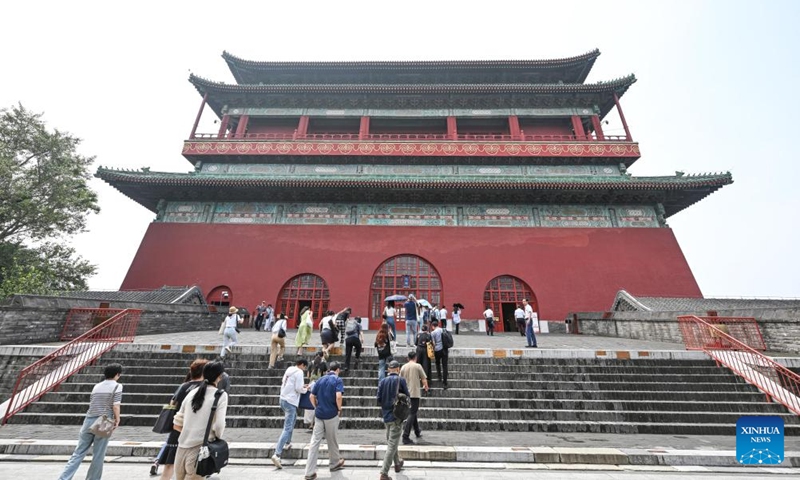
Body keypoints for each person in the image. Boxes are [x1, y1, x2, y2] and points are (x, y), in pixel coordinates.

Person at [58, 363, 123, 480]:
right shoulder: (117, 386)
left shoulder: (96, 386)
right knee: (98, 455)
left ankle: (64, 478)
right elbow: (116, 406)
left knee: (78, 453)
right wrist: (117, 419)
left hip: (88, 419)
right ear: (117, 374)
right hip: (103, 421)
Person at [172, 361, 228, 480]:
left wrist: (189, 431)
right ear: (219, 377)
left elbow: (176, 423)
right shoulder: (220, 395)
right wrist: (215, 437)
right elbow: (219, 425)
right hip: (199, 450)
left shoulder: (192, 393)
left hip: (181, 449)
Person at [156, 359, 208, 480]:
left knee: (169, 465)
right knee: (191, 468)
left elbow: (172, 404)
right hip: (194, 430)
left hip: (177, 429)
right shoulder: (204, 388)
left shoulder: (183, 386)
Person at [305, 361, 346, 480]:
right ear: (337, 370)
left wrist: (316, 406)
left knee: (314, 442)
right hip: (331, 414)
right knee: (332, 440)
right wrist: (339, 408)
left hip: (319, 414)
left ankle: (309, 471)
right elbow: (338, 396)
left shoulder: (320, 380)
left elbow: (311, 396)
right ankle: (334, 463)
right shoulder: (337, 380)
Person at [271, 359, 309, 469]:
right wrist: (306, 389)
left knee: (293, 419)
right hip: (291, 401)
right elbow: (298, 388)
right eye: (305, 367)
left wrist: (302, 387)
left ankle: (288, 442)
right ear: (302, 365)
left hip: (283, 399)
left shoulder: (289, 370)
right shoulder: (299, 372)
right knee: (287, 427)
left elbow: (288, 383)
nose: (304, 369)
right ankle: (277, 454)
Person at [377, 360, 410, 480]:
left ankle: (397, 464)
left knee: (392, 441)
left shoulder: (383, 381)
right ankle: (384, 473)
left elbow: (379, 398)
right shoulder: (400, 380)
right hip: (397, 416)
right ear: (398, 369)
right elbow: (407, 395)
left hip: (386, 415)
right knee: (392, 444)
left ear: (389, 369)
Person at [400, 351, 428, 445]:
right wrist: (426, 386)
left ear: (408, 358)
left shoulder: (403, 367)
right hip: (415, 392)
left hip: (406, 393)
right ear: (415, 357)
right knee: (412, 413)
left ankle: (417, 431)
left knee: (413, 412)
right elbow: (423, 378)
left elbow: (400, 380)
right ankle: (405, 435)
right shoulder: (418, 366)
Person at [430, 319, 449, 389]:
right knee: (445, 365)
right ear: (438, 325)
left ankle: (439, 376)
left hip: (437, 350)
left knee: (437, 363)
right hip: (445, 349)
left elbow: (433, 343)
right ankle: (445, 383)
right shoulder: (443, 330)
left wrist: (433, 349)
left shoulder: (433, 333)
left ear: (433, 326)